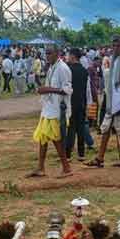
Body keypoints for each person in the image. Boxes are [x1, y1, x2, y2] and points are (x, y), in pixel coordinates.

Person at [85, 36, 120, 168]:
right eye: (113, 45)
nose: (115, 48)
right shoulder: (113, 59)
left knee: (112, 127)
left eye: (118, 45)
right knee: (111, 128)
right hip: (113, 100)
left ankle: (104, 158)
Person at [28, 45, 73, 177]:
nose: (47, 56)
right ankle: (41, 168)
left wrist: (48, 89)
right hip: (48, 108)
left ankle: (66, 168)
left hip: (58, 109)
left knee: (55, 138)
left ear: (57, 53)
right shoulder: (52, 67)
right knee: (43, 137)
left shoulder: (63, 68)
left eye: (50, 53)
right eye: (46, 53)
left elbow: (67, 90)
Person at [65, 48, 93, 160]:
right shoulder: (84, 71)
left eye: (68, 55)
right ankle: (81, 154)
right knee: (81, 128)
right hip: (82, 103)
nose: (67, 57)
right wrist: (88, 104)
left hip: (70, 103)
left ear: (73, 56)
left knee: (71, 129)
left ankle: (68, 154)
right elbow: (88, 90)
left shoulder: (68, 70)